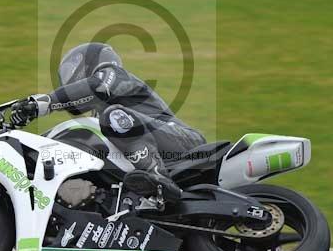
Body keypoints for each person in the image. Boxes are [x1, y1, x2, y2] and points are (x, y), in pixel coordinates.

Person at [10, 42, 206, 202]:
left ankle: (159, 177)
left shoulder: (116, 76)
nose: (68, 79)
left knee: (113, 116)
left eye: (71, 69)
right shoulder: (100, 116)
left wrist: (45, 103)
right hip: (156, 148)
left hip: (186, 141)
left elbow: (96, 87)